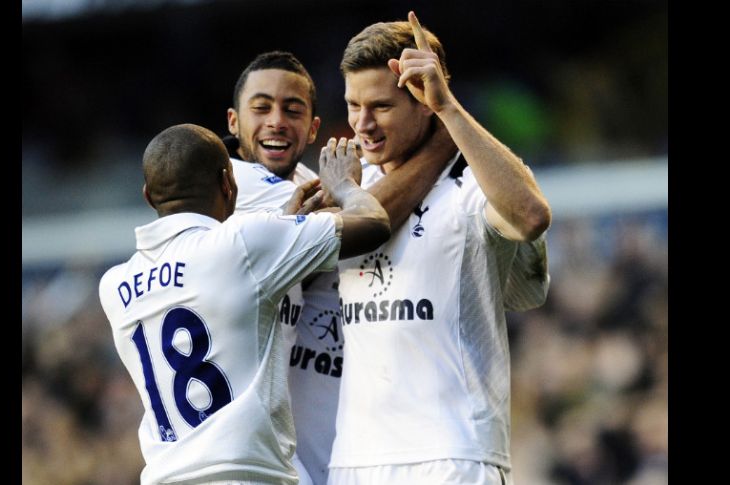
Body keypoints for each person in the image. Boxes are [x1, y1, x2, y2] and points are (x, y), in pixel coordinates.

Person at [329, 12, 552, 485]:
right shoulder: (351, 188)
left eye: (380, 107)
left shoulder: (470, 187)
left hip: (452, 455)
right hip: (354, 461)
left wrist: (450, 107)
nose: (361, 124)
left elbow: (531, 217)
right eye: (353, 105)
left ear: (423, 100)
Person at [98, 123, 390, 485]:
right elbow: (374, 223)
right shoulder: (243, 244)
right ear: (228, 183)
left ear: (148, 195)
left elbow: (207, 281)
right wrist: (345, 184)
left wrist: (280, 227)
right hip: (245, 475)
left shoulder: (113, 285)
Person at [223, 51, 459, 485]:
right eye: (261, 107)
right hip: (264, 463)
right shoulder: (240, 193)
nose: (276, 120)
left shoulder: (306, 187)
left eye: (292, 110)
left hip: (330, 454)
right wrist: (444, 139)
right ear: (233, 122)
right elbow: (373, 220)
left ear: (314, 128)